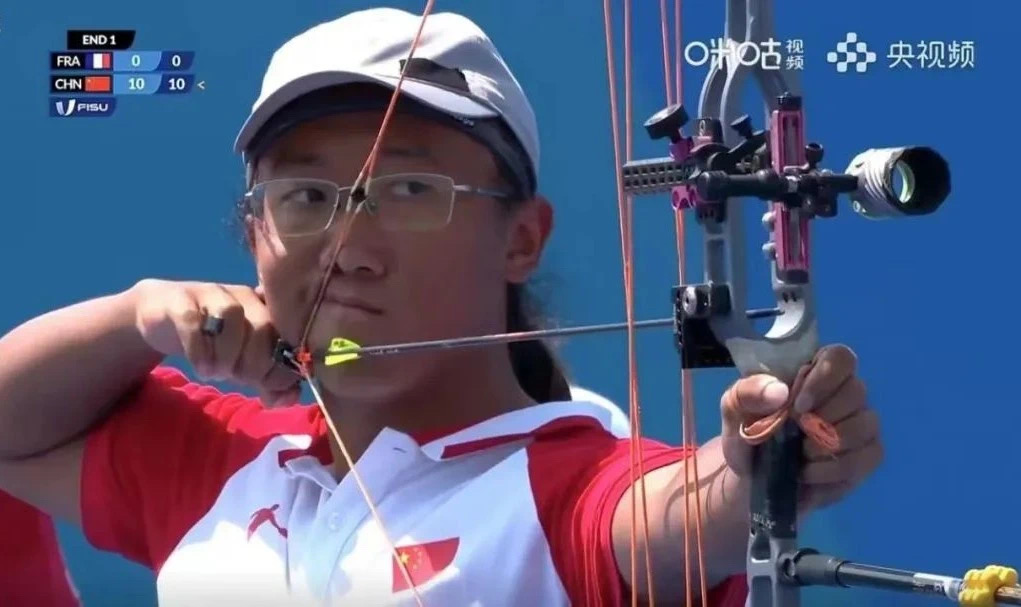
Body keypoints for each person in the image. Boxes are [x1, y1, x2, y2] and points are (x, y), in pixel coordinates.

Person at [0, 7, 882, 606]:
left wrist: (757, 461)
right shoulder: (230, 461)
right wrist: (137, 314)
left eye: (410, 188)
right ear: (253, 237)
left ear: (521, 239)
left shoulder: (562, 486)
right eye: (304, 199)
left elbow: (680, 512)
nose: (347, 239)